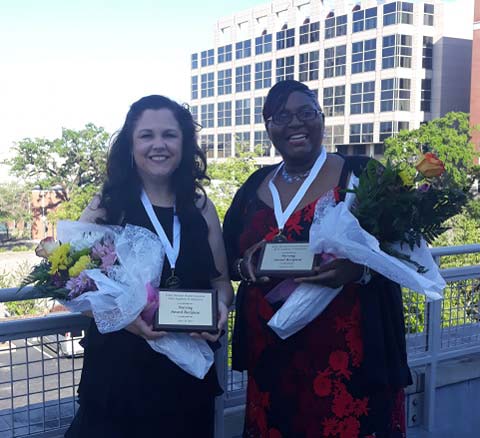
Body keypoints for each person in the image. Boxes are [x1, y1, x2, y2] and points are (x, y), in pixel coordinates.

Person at [223, 80, 412, 438]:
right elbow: (229, 257)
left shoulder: (362, 175)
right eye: (281, 116)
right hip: (273, 358)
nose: (294, 123)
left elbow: (403, 251)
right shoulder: (253, 186)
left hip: (349, 361)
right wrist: (242, 267)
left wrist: (357, 270)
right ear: (268, 127)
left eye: (305, 112)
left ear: (322, 118)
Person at [65, 95, 233, 438]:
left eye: (169, 135)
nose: (159, 145)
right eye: (147, 136)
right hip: (120, 378)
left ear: (185, 144)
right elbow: (69, 283)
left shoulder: (202, 208)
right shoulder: (107, 207)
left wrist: (220, 310)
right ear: (131, 145)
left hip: (186, 378)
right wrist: (128, 322)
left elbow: (221, 283)